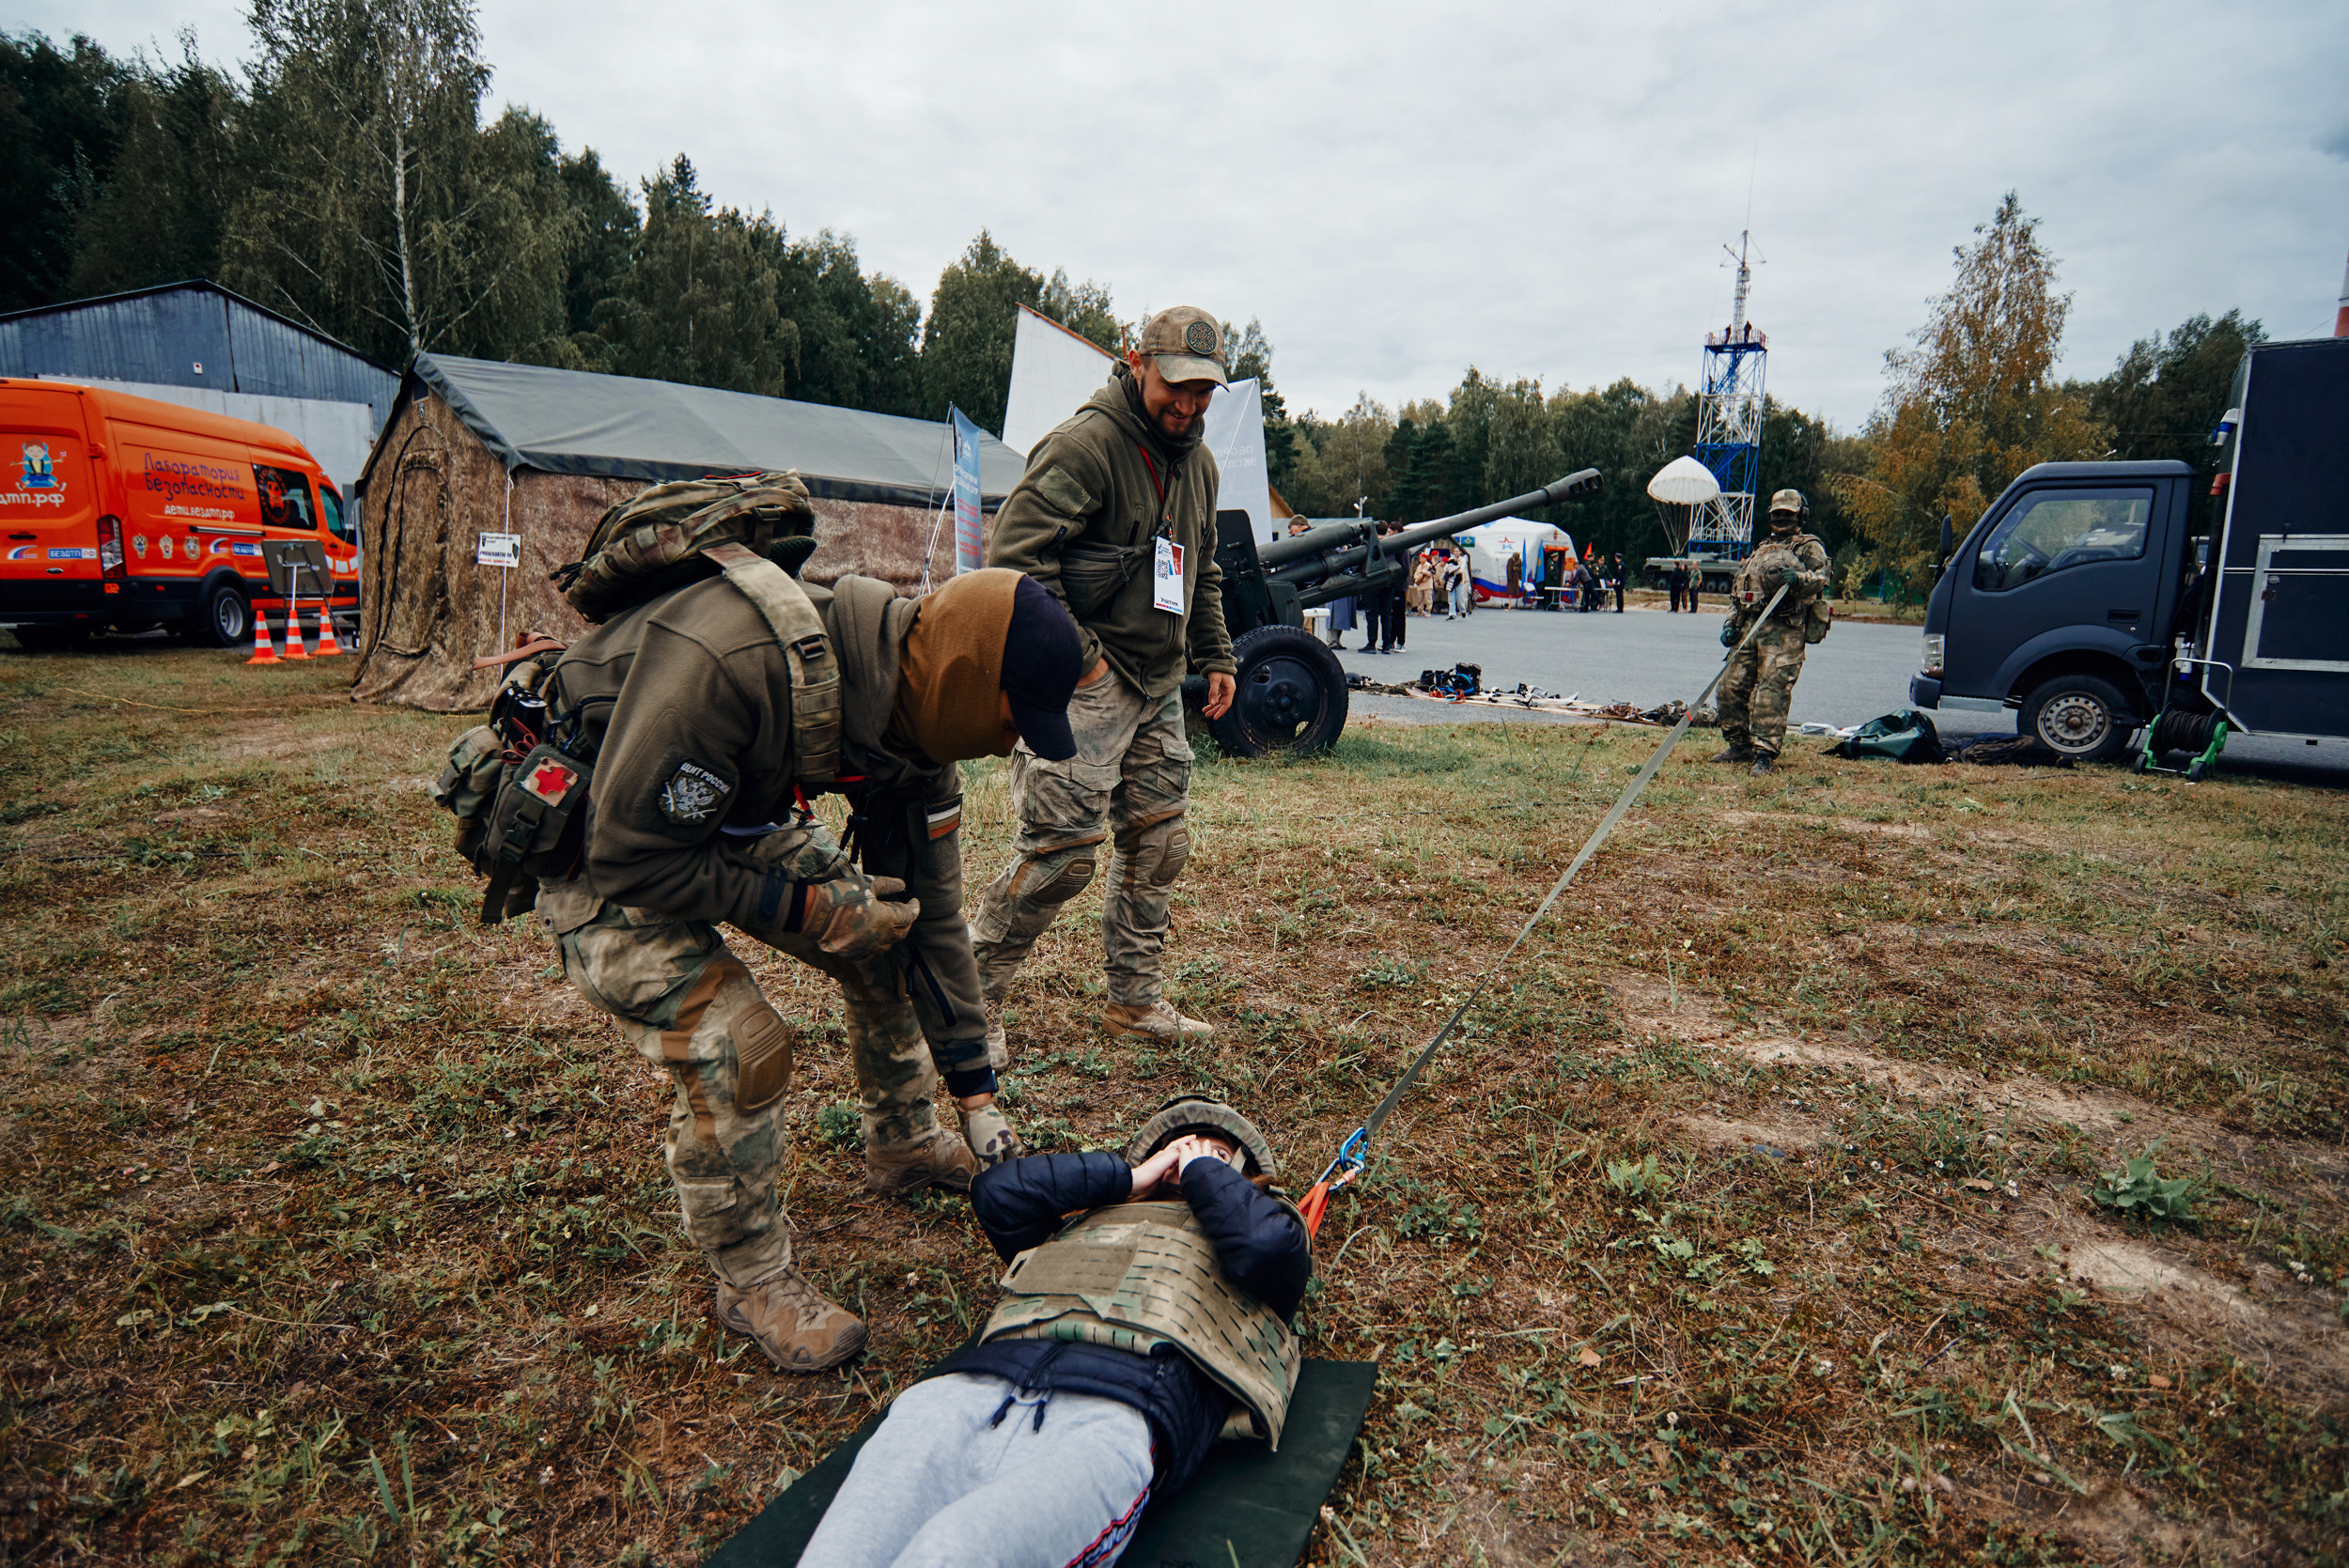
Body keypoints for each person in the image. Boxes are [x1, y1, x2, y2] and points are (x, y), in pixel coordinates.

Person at [432, 474, 1086, 1372]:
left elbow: (931, 924)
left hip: (710, 825)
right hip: (601, 842)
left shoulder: (918, 730)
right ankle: (750, 1280)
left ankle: (902, 1140)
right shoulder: (735, 662)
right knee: (741, 1041)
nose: (1012, 744)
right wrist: (809, 906)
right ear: (971, 678)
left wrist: (981, 1106)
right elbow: (633, 855)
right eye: (1015, 720)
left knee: (885, 929)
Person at [796, 1096, 1313, 1568]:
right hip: (966, 1391)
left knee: (955, 1552)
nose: (1189, 1157)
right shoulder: (1085, 1221)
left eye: (1214, 1156)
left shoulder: (1274, 1240)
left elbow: (1262, 1242)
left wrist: (1202, 1171)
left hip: (1115, 1414)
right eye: (1179, 1148)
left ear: (1244, 1182)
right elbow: (997, 1192)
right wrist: (1128, 1183)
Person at [972, 307, 1239, 1054]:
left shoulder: (1201, 464)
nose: (1188, 406)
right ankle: (966, 1004)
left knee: (1160, 843)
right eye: (1176, 387)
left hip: (1157, 682)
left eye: (1204, 392)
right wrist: (1081, 658)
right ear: (1135, 361)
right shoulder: (1085, 446)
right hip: (1083, 677)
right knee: (1061, 854)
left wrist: (1215, 655)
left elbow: (1202, 569)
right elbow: (1015, 563)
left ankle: (1135, 1002)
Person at [1713, 489, 1832, 776]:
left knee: (1771, 693)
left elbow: (1821, 579)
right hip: (1751, 628)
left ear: (1800, 516)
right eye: (1777, 513)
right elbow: (1740, 591)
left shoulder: (1809, 547)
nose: (1781, 518)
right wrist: (1731, 622)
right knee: (1729, 687)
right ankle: (1739, 745)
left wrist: (1799, 578)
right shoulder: (1761, 549)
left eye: (1788, 514)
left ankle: (1764, 753)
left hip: (1784, 630)